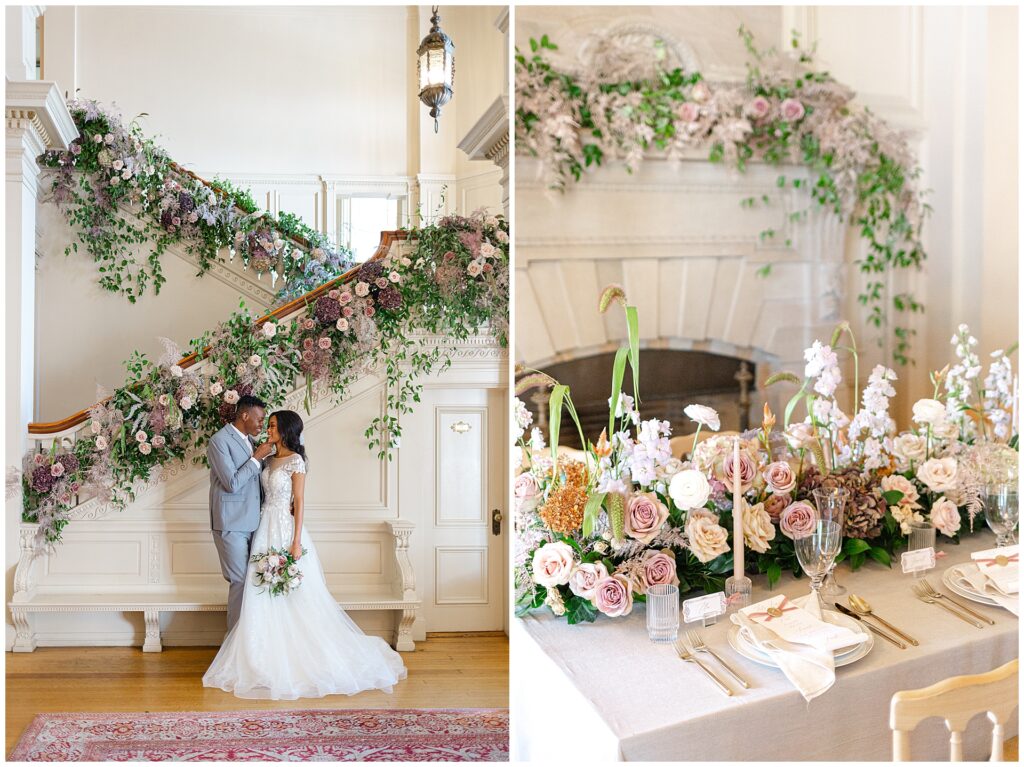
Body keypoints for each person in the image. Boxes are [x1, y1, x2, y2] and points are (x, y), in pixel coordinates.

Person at [203, 409, 407, 699]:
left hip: (285, 530)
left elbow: (298, 501)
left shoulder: (296, 461)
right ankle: (259, 656)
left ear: (285, 430)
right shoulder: (267, 459)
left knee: (295, 593)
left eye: (272, 426)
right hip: (263, 527)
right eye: (267, 424)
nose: (267, 429)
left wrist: (296, 541)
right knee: (258, 590)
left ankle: (300, 654)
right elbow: (253, 491)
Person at [207, 395, 273, 632]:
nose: (261, 425)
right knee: (240, 581)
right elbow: (232, 483)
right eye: (259, 419)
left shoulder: (250, 441)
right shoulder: (219, 441)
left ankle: (251, 639)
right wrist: (257, 458)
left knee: (256, 581)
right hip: (231, 523)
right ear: (244, 415)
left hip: (255, 522)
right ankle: (233, 644)